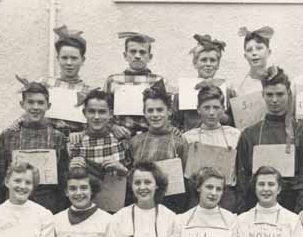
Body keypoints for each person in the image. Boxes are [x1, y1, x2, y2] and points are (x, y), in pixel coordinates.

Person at [236, 66, 303, 213]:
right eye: (269, 94)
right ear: (263, 95)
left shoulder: (300, 132)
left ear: (288, 94)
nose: (274, 100)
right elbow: (243, 180)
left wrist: (300, 214)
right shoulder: (250, 134)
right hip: (258, 206)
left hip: (292, 206)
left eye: (280, 94)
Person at [0, 77, 69, 213]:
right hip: (15, 204)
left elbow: (63, 178)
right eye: (31, 102)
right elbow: (0, 176)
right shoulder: (9, 135)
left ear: (48, 105)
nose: (35, 107)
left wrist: (61, 210)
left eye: (40, 103)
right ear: (22, 104)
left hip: (48, 205)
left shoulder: (58, 137)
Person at [67, 88, 132, 212]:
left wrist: (122, 169)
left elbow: (135, 179)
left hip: (116, 208)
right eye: (91, 111)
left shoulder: (121, 141)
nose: (96, 117)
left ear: (110, 114)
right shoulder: (75, 143)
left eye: (102, 112)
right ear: (84, 112)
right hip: (85, 210)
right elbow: (66, 182)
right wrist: (70, 168)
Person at [130, 80, 188, 213]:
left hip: (170, 206)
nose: (155, 115)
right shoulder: (135, 141)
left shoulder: (179, 142)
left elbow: (184, 180)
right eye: (150, 110)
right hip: (141, 205)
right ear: (144, 113)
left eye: (160, 110)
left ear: (169, 112)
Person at [182, 83, 242, 212]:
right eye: (206, 107)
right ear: (198, 109)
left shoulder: (234, 135)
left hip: (226, 198)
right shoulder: (189, 137)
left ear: (223, 109)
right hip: (197, 198)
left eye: (216, 107)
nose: (211, 113)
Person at [105, 31, 162, 136]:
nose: (137, 56)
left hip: (149, 137)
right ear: (125, 55)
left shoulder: (158, 81)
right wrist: (113, 127)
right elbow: (104, 109)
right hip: (120, 137)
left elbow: (165, 111)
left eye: (142, 52)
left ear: (150, 57)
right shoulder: (113, 80)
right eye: (133, 51)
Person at [173, 34, 233, 131]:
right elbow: (175, 124)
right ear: (195, 63)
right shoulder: (183, 93)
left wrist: (223, 116)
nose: (208, 64)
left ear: (218, 65)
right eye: (203, 60)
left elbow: (235, 124)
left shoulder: (228, 93)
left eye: (212, 60)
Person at [42, 25, 93, 137]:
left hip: (75, 144)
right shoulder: (45, 84)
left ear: (82, 60)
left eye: (74, 58)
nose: (69, 63)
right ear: (58, 59)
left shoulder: (88, 91)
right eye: (64, 58)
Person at [237, 26, 274, 96]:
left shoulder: (277, 80)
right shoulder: (241, 87)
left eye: (259, 48)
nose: (254, 53)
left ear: (268, 52)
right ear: (245, 56)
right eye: (249, 50)